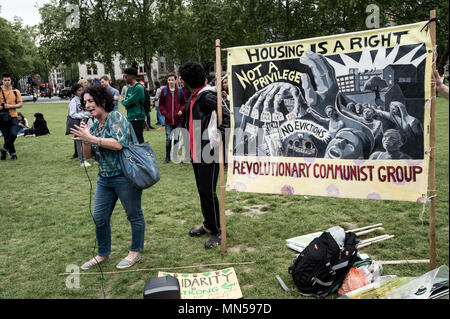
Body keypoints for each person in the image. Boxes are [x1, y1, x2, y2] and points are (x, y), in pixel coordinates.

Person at [70, 85, 146, 270]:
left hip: (124, 176)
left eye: (90, 101)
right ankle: (102, 253)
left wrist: (92, 138)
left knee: (134, 215)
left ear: (102, 101)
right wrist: (85, 138)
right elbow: (88, 156)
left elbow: (118, 144)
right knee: (99, 217)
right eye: (84, 102)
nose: (87, 105)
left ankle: (135, 252)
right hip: (104, 178)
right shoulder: (94, 124)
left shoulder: (116, 117)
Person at [179, 61, 230, 249]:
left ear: (187, 80)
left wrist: (219, 136)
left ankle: (218, 230)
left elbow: (228, 118)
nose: (180, 81)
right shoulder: (192, 96)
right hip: (196, 152)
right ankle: (208, 225)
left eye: (182, 79)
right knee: (203, 191)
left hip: (209, 152)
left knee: (208, 192)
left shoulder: (208, 97)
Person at [158, 72, 187, 163]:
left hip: (178, 120)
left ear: (176, 80)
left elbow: (184, 103)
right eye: (169, 80)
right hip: (168, 120)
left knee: (176, 139)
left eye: (172, 80)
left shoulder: (179, 91)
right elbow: (161, 104)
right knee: (168, 139)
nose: (170, 81)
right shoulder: (164, 91)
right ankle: (167, 157)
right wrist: (165, 113)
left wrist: (181, 110)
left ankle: (174, 155)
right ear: (167, 81)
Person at [66, 83, 91, 166]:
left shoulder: (83, 99)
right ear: (75, 92)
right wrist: (84, 114)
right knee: (79, 142)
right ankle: (82, 160)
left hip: (86, 122)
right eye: (79, 90)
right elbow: (72, 114)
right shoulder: (73, 101)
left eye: (82, 90)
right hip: (77, 123)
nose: (81, 92)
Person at [0, 72, 23, 161]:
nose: (7, 82)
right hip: (2, 117)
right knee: (6, 136)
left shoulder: (15, 91)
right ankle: (13, 154)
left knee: (13, 134)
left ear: (11, 81)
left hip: (13, 116)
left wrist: (10, 106)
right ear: (2, 81)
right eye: (5, 80)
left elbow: (20, 104)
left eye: (8, 80)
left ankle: (4, 149)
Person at [121, 67, 146, 144]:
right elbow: (126, 104)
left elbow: (128, 102)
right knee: (131, 140)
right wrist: (126, 102)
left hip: (138, 117)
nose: (124, 78)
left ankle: (142, 155)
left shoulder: (138, 88)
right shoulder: (128, 88)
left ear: (132, 76)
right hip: (130, 117)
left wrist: (125, 102)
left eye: (126, 76)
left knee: (138, 139)